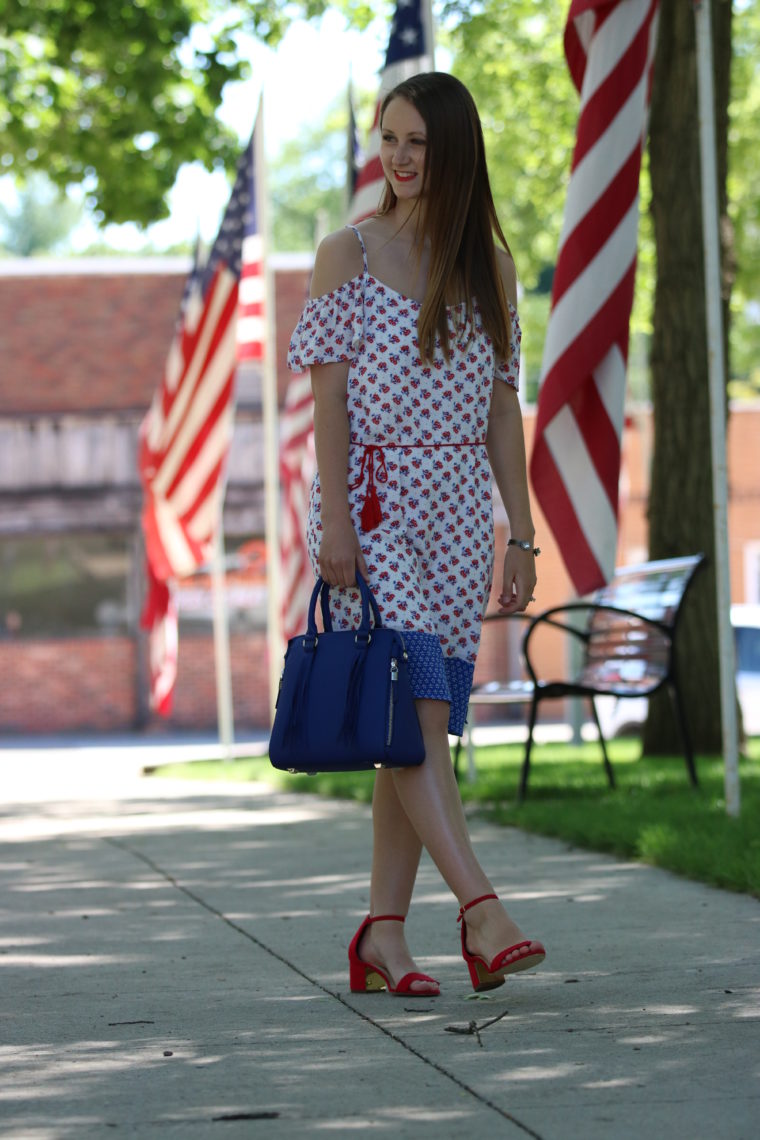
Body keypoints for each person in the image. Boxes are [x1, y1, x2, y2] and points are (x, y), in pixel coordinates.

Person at [287, 72, 545, 997]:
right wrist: (337, 526)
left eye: (417, 143)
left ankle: (383, 937)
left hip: (458, 515)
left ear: (454, 152)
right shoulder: (344, 255)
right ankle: (481, 908)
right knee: (420, 711)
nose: (396, 158)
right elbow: (327, 407)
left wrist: (521, 532)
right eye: (387, 138)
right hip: (378, 504)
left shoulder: (492, 267)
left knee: (416, 723)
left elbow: (502, 408)